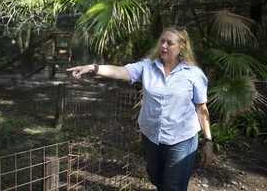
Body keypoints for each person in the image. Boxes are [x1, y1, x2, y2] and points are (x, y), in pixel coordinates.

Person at [66, 25, 213, 191]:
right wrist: (93, 68)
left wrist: (208, 141)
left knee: (174, 186)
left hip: (181, 139)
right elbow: (120, 71)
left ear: (182, 48)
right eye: (162, 41)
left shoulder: (193, 74)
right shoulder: (147, 66)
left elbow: (201, 110)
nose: (163, 46)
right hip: (151, 136)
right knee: (155, 177)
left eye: (169, 43)